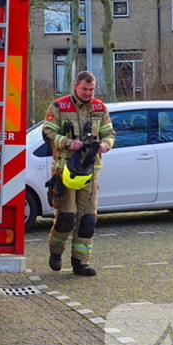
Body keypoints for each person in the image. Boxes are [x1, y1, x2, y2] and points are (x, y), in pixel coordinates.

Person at [41, 71, 116, 277]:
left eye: (91, 90)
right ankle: (56, 253)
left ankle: (80, 263)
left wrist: (105, 145)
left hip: (90, 172)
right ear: (76, 86)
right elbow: (48, 133)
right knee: (66, 218)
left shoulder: (100, 108)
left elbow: (109, 133)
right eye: (84, 89)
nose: (88, 93)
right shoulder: (59, 106)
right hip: (64, 171)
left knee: (88, 220)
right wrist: (67, 142)